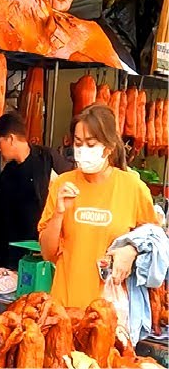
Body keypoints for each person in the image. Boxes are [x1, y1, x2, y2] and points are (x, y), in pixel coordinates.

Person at [39, 104, 157, 309]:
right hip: (65, 310)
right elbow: (48, 253)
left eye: (91, 144)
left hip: (110, 315)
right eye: (78, 143)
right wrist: (59, 213)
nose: (83, 150)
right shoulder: (62, 185)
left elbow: (156, 247)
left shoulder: (133, 188)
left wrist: (132, 250)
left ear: (109, 147)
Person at [0, 113, 72, 270]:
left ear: (11, 139)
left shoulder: (47, 159)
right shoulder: (8, 172)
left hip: (40, 252)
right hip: (9, 256)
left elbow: (72, 185)